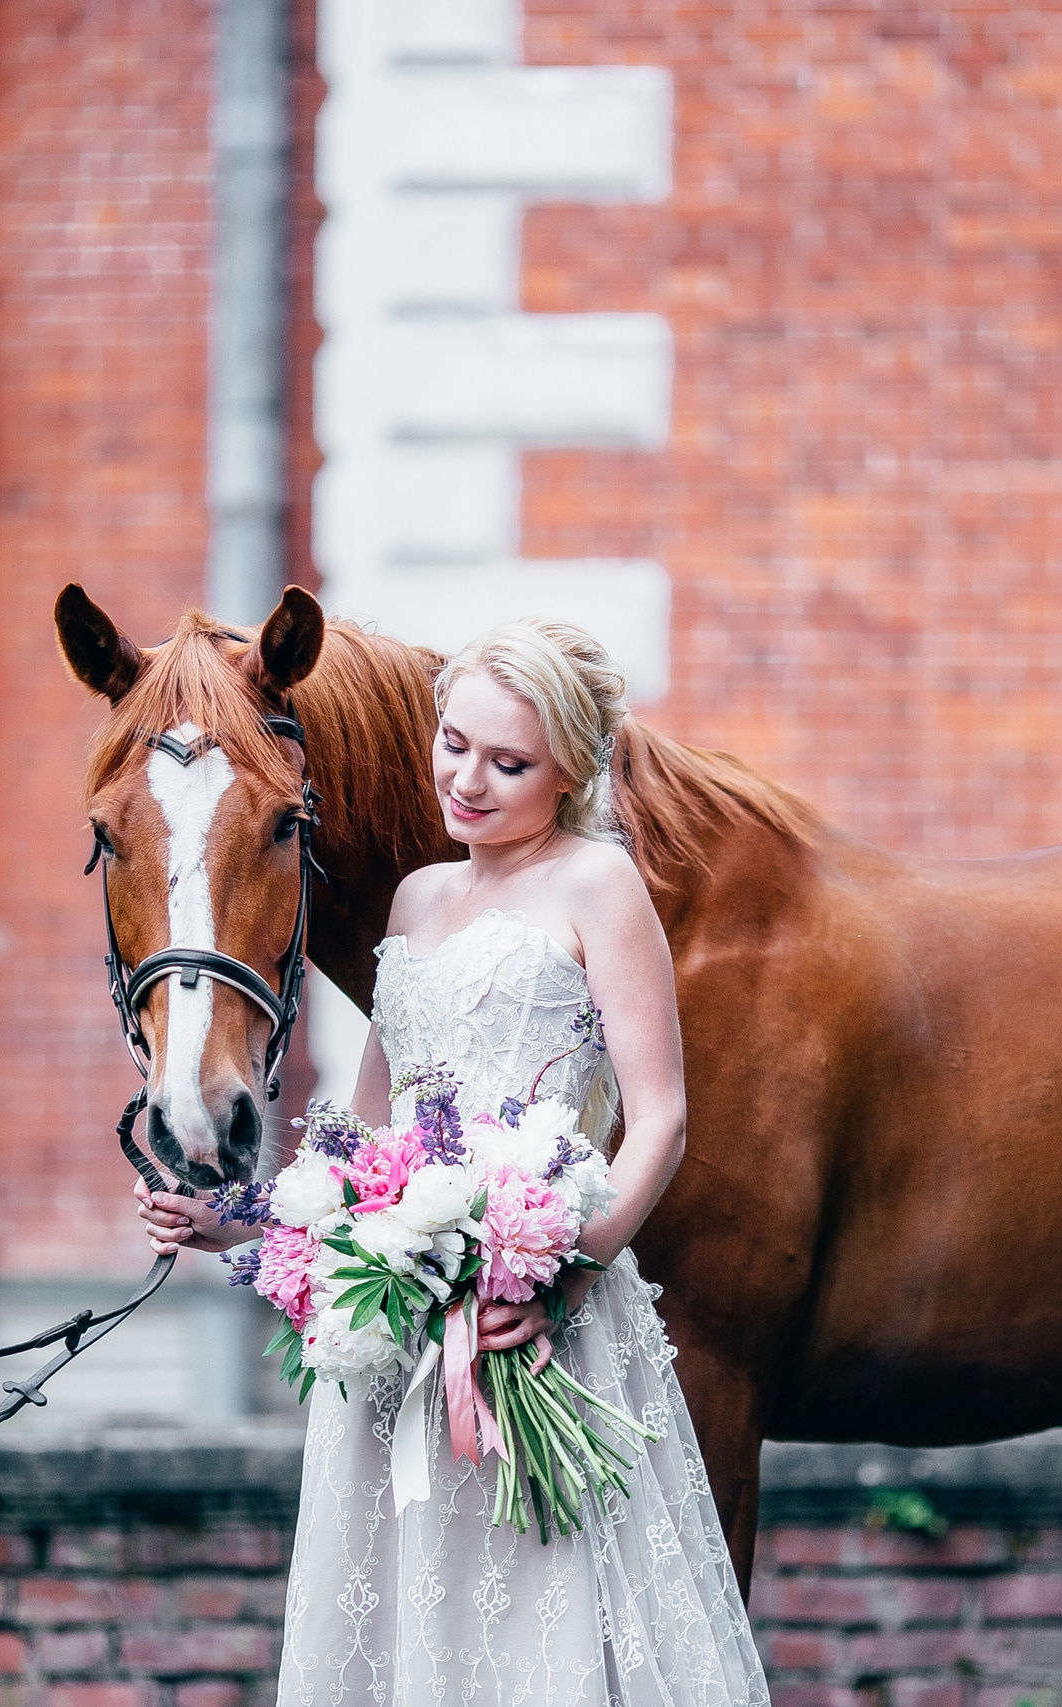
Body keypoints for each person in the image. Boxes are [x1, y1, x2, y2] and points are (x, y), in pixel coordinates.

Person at [137, 618, 771, 1704]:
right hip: (401, 1343)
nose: (467, 781)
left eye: (508, 763)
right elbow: (371, 1138)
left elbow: (659, 1118)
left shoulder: (599, 887)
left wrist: (567, 1269)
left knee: (544, 1615)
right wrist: (240, 1222)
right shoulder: (414, 898)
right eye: (454, 745)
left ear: (569, 769)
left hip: (542, 1328)